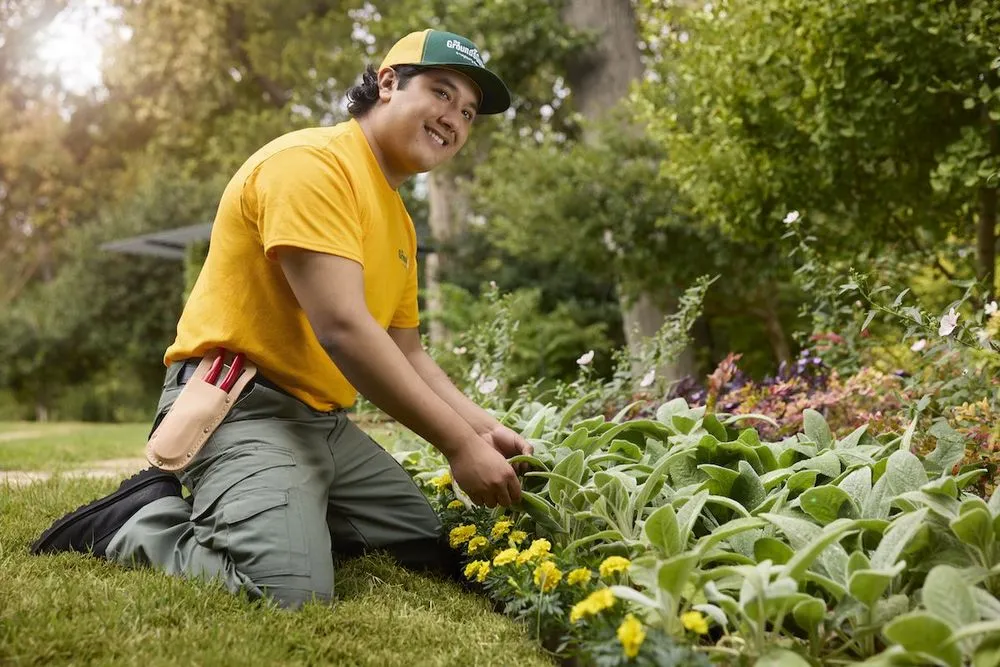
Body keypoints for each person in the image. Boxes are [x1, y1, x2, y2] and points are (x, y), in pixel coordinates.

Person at [31, 29, 532, 610]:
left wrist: (480, 429)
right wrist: (455, 447)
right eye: (443, 94)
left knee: (430, 544)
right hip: (239, 405)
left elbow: (409, 352)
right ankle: (139, 520)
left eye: (468, 113)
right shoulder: (311, 166)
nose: (454, 120)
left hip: (321, 423)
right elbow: (342, 329)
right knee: (287, 592)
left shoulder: (399, 221)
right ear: (389, 83)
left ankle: (289, 505)